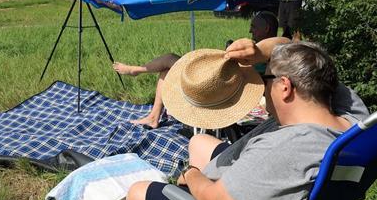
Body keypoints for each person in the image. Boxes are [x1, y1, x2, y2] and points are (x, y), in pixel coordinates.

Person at [125, 37, 369, 200]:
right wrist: (260, 53)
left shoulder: (284, 150)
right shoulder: (352, 114)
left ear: (285, 87)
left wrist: (190, 174)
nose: (262, 88)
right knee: (198, 143)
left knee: (138, 194)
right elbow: (289, 47)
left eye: (265, 78)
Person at [112, 11, 279, 128]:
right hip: (225, 81)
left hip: (231, 89)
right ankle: (154, 116)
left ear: (266, 29)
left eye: (254, 27)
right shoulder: (253, 48)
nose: (250, 30)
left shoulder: (272, 55)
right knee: (167, 70)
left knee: (170, 59)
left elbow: (281, 44)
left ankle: (137, 70)